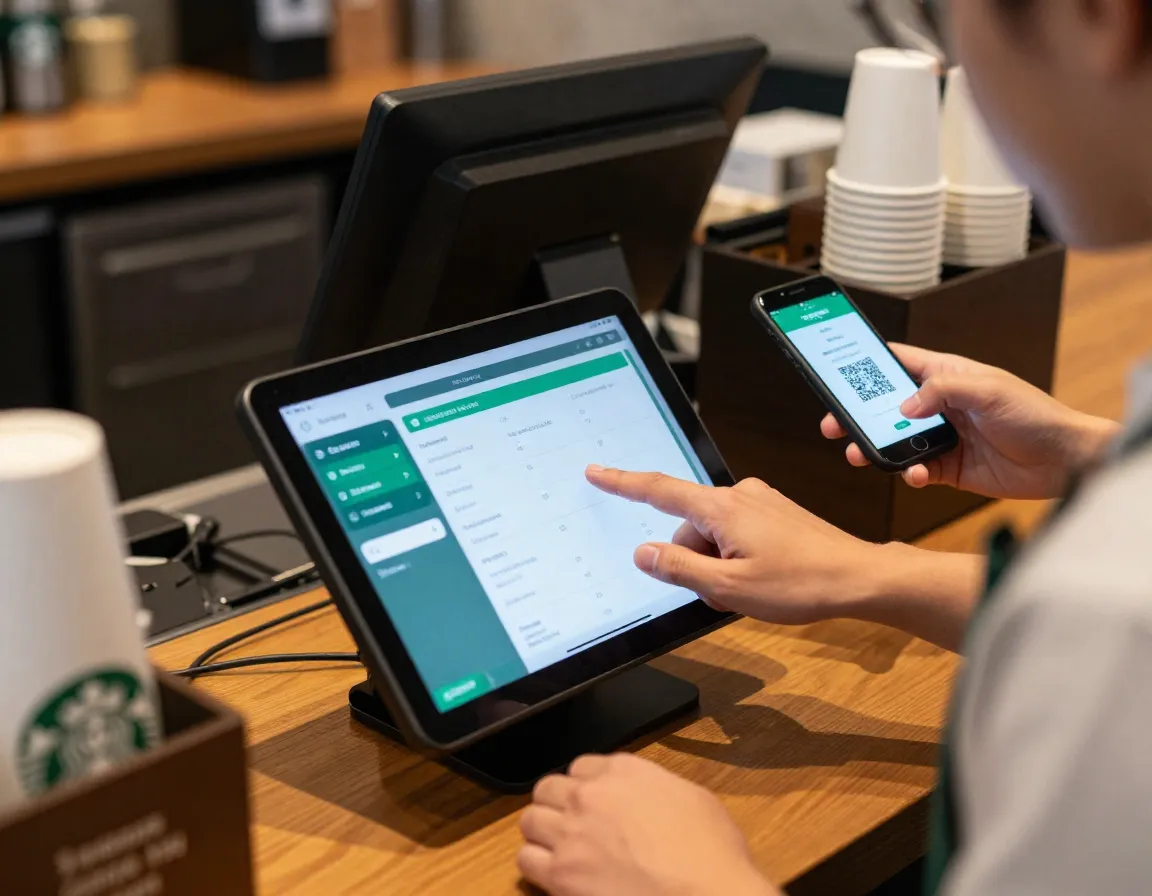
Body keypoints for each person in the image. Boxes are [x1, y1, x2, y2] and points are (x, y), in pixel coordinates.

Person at [515, 1, 1152, 894]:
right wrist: (1091, 456)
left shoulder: (1108, 611)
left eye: (942, 24)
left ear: (1099, 17)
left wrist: (693, 882)